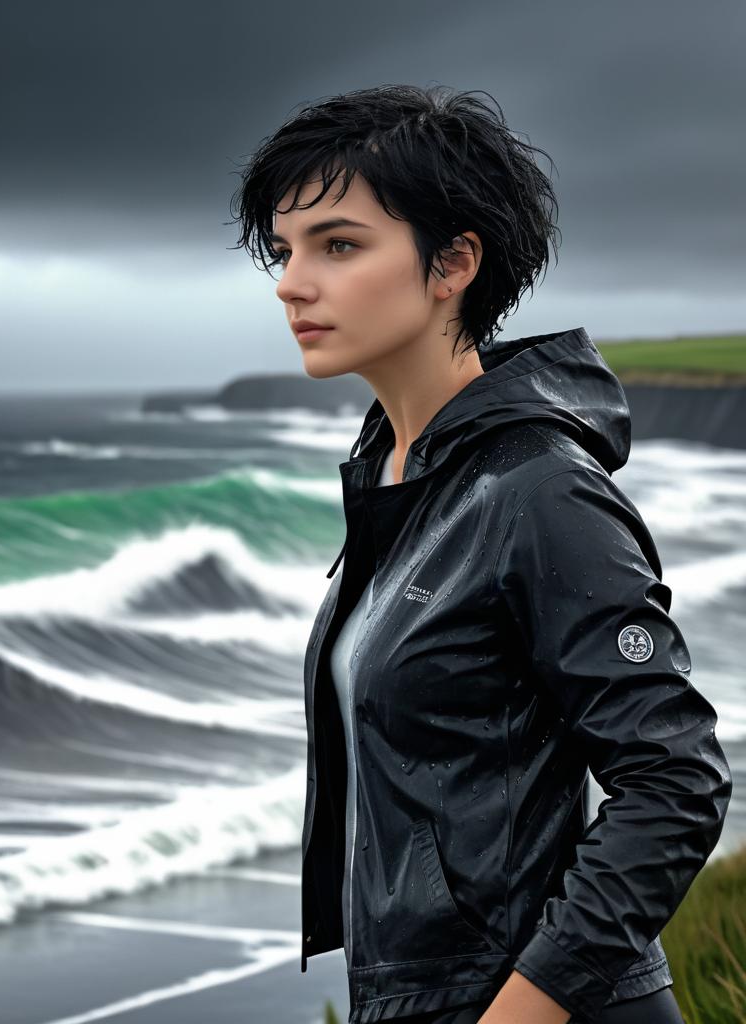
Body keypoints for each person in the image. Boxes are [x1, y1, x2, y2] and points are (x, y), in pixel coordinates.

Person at [228, 85, 732, 1023]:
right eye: (286, 251)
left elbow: (676, 777)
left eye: (339, 245)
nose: (293, 283)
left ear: (454, 261)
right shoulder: (390, 466)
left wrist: (521, 1010)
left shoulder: (539, 489)